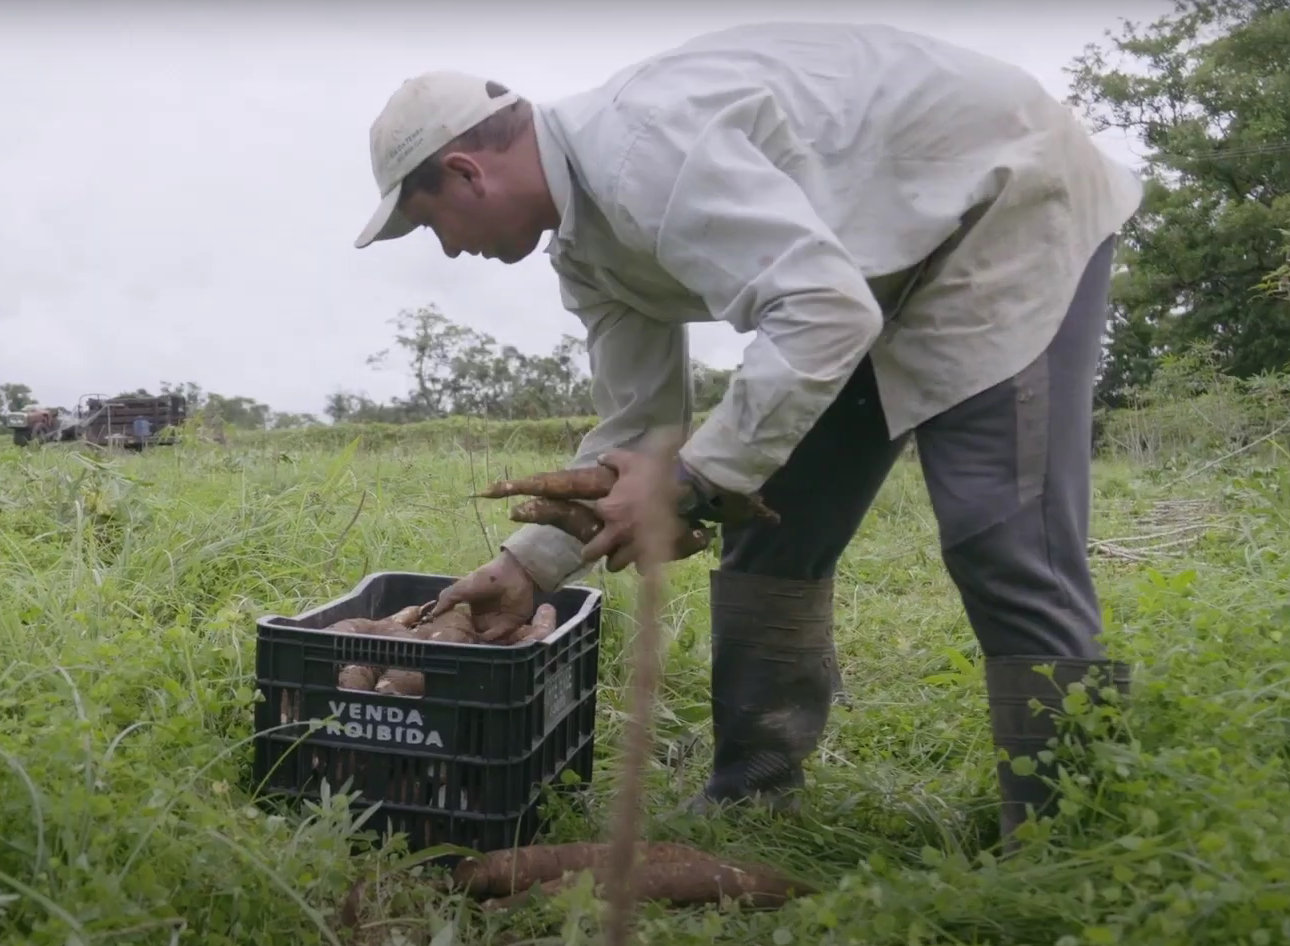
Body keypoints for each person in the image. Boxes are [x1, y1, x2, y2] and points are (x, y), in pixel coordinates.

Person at [353, 21, 1142, 846]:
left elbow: (822, 312)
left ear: (465, 171)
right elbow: (641, 432)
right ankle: (753, 796)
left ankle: (1072, 835)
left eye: (429, 223)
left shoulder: (642, 154)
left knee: (1000, 533)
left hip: (1005, 202)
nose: (444, 250)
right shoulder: (589, 252)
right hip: (866, 272)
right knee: (772, 527)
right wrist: (528, 568)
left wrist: (695, 482)